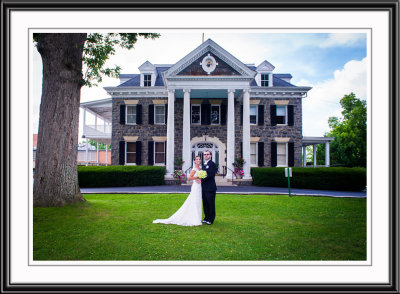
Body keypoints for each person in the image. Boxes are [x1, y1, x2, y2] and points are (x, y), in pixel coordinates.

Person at [153, 156, 203, 226]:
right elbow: (189, 178)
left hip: (199, 186)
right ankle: (194, 218)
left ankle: (198, 217)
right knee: (194, 201)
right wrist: (197, 178)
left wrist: (200, 178)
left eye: (199, 159)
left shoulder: (200, 168)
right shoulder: (194, 168)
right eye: (196, 159)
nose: (198, 160)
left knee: (198, 201)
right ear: (194, 161)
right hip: (196, 187)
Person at [201, 150, 217, 225]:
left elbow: (211, 174)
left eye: (207, 154)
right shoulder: (203, 165)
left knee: (211, 203)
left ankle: (211, 219)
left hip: (210, 187)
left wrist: (202, 178)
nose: (206, 155)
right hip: (204, 187)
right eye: (205, 154)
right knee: (205, 203)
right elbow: (202, 173)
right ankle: (206, 217)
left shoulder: (212, 164)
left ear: (210, 155)